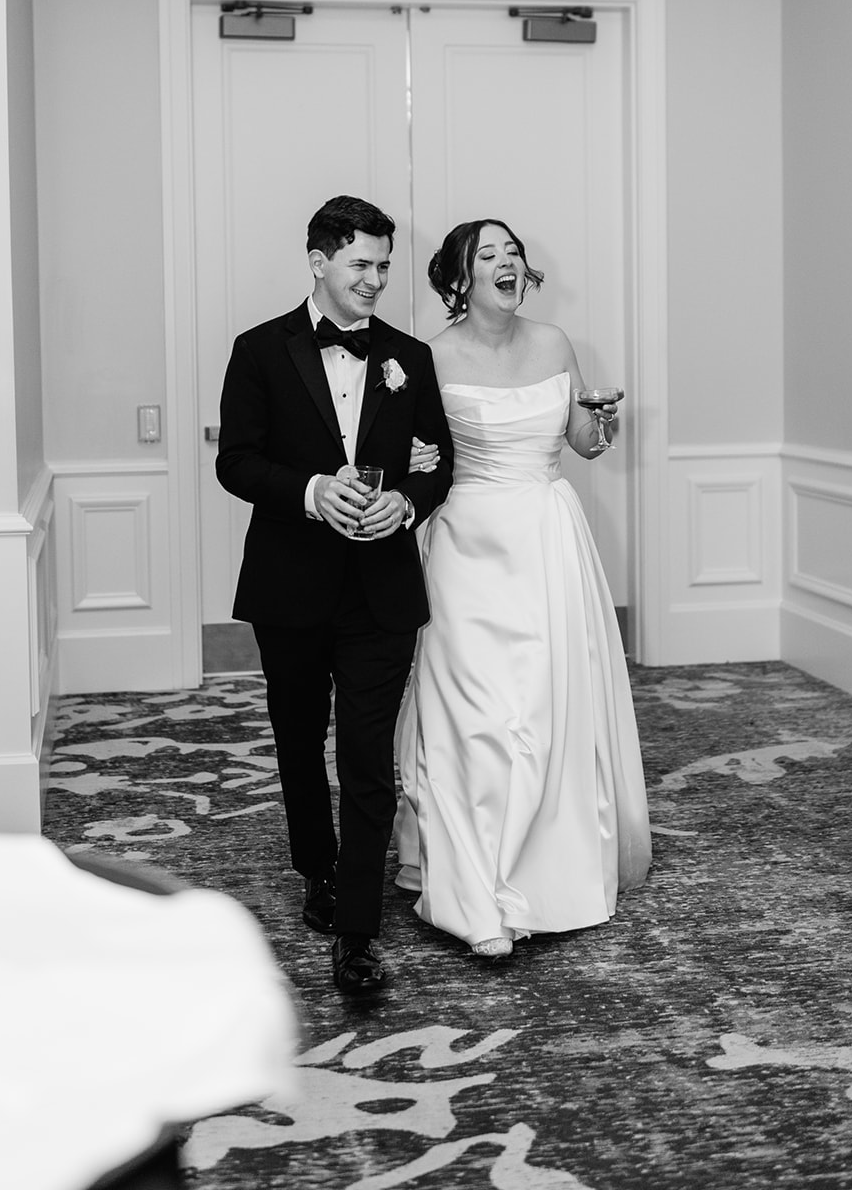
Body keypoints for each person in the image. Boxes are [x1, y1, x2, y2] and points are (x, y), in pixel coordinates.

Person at [215, 195, 454, 994]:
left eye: (384, 265)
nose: (376, 280)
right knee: (296, 739)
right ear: (318, 261)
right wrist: (314, 490)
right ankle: (315, 869)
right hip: (289, 584)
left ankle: (357, 930)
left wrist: (408, 503)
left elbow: (438, 461)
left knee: (367, 757)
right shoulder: (258, 350)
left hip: (382, 590)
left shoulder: (409, 356)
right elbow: (237, 463)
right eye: (362, 264)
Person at [395, 218, 652, 958]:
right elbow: (421, 456)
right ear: (461, 277)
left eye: (514, 253)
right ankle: (472, 882)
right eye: (490, 255)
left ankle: (544, 868)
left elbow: (579, 442)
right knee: (473, 710)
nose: (507, 263)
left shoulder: (555, 344)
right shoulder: (432, 356)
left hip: (546, 536)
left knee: (544, 702)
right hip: (469, 544)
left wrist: (601, 425)